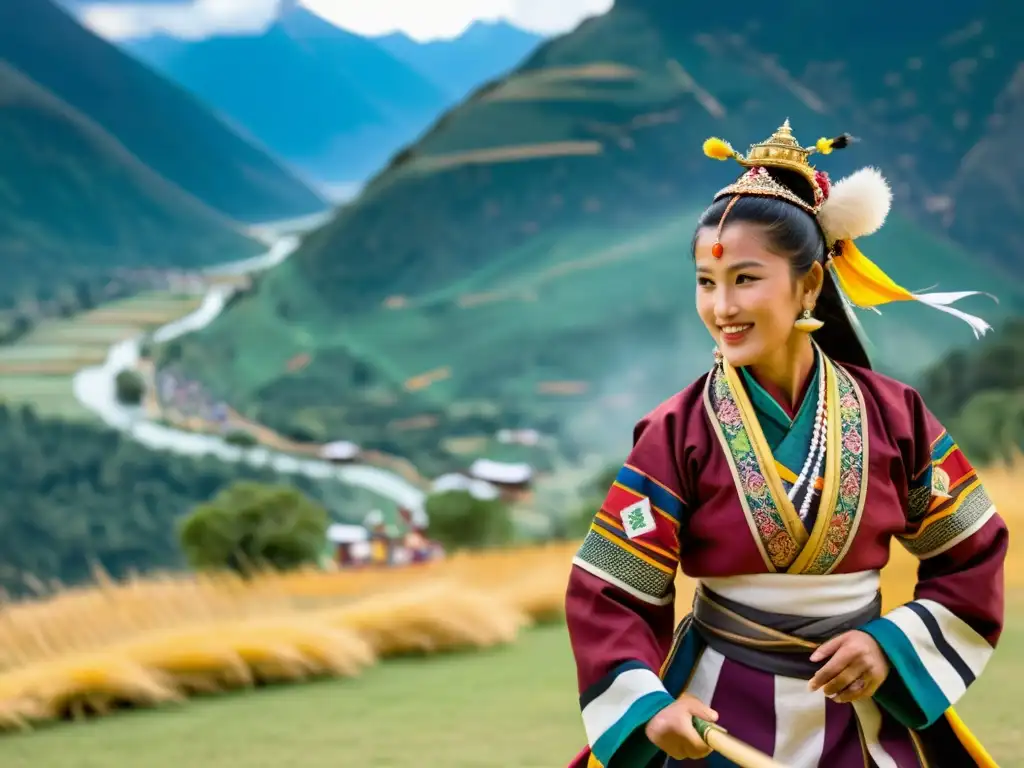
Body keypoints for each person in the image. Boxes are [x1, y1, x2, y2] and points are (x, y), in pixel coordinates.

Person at [564, 121, 1008, 767]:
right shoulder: (676, 432)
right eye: (706, 281)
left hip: (864, 706)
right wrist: (652, 706)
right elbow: (612, 588)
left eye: (746, 278)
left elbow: (971, 549)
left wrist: (891, 645)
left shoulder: (894, 415)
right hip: (719, 714)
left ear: (810, 284)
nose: (721, 307)